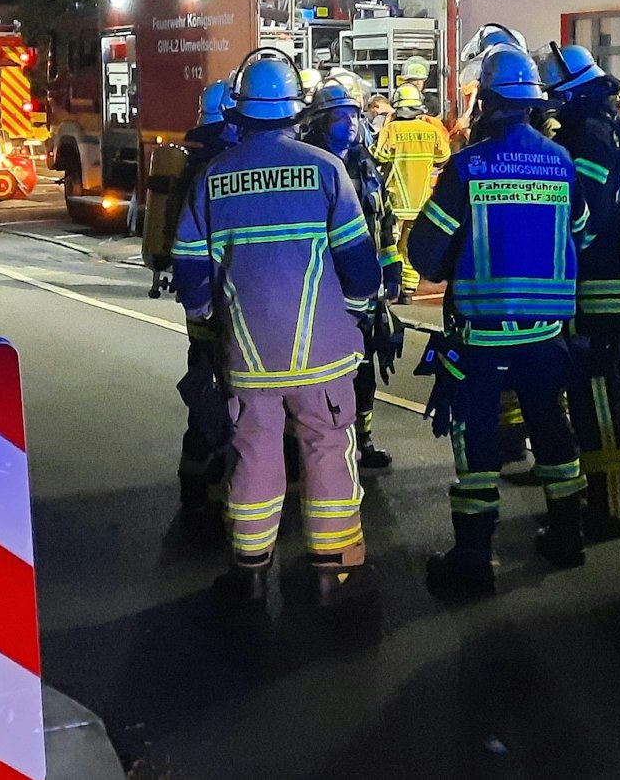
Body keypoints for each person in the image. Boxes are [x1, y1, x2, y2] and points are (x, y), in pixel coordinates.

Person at [174, 51, 382, 608]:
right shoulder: (325, 170)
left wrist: (207, 321)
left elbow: (192, 275)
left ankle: (249, 566)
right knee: (328, 447)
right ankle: (332, 571)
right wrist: (359, 311)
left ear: (240, 112)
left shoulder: (212, 179)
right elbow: (359, 263)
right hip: (325, 353)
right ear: (296, 112)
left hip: (248, 353)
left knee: (255, 452)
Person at [407, 45, 592, 601]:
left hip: (481, 340)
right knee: (552, 431)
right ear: (534, 104)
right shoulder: (562, 163)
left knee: (478, 444)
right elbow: (581, 235)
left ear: (485, 102)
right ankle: (567, 537)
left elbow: (427, 252)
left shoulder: (469, 166)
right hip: (545, 337)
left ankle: (471, 558)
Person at [540, 43, 620, 541]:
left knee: (597, 398)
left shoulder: (584, 134)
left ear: (565, 93)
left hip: (599, 280)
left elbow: (586, 212)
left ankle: (608, 509)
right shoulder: (611, 120)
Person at [303, 82, 403, 471]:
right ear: (319, 122)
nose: (351, 124)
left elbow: (384, 219)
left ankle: (362, 441)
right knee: (323, 373)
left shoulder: (365, 164)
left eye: (354, 116)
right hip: (323, 291)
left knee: (364, 368)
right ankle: (315, 444)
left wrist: (391, 268)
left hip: (364, 289)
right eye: (341, 117)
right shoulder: (310, 165)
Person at [173, 80, 239, 509]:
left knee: (205, 384)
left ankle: (195, 475)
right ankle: (226, 483)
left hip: (201, 301)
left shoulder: (193, 161)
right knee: (234, 389)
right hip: (232, 301)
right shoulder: (226, 163)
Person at [372, 82, 451, 295]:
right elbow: (443, 158)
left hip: (395, 199)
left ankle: (392, 285)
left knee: (389, 243)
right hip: (421, 200)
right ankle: (408, 288)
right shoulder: (431, 131)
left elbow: (378, 157)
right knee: (409, 246)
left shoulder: (391, 130)